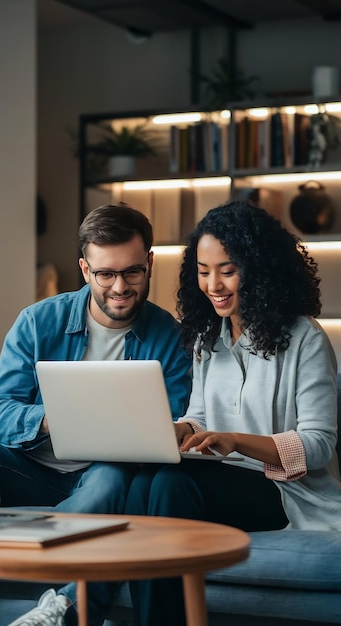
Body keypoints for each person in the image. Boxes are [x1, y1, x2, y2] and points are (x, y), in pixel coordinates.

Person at [122, 200, 341, 626]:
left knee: (168, 487)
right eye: (203, 271)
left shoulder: (305, 339)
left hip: (284, 493)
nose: (213, 284)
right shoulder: (208, 340)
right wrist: (169, 430)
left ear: (258, 268)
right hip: (223, 480)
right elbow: (199, 418)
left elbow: (318, 445)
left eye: (227, 269)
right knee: (149, 476)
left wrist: (236, 441)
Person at [0, 203, 192, 626]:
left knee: (112, 475)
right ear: (85, 269)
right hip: (30, 470)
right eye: (105, 274)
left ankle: (63, 608)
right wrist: (52, 419)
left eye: (133, 272)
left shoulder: (170, 338)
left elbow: (168, 427)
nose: (119, 286)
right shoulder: (37, 322)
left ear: (150, 263)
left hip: (103, 478)